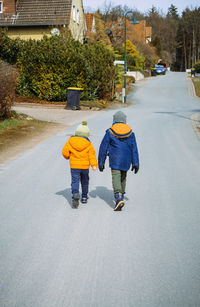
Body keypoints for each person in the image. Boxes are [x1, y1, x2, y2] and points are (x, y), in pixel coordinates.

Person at [98, 111, 139, 211]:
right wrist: (135, 163)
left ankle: (118, 196)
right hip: (127, 159)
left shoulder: (110, 132)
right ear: (124, 121)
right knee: (123, 176)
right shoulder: (131, 133)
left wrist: (101, 161)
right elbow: (134, 148)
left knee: (116, 176)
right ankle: (122, 194)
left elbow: (103, 148)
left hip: (115, 158)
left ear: (114, 120)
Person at [62, 121, 97, 208]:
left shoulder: (70, 141)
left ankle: (75, 194)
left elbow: (64, 152)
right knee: (85, 181)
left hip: (74, 166)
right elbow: (92, 155)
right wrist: (93, 165)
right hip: (85, 167)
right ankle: (84, 197)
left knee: (75, 181)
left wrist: (68, 157)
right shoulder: (88, 144)